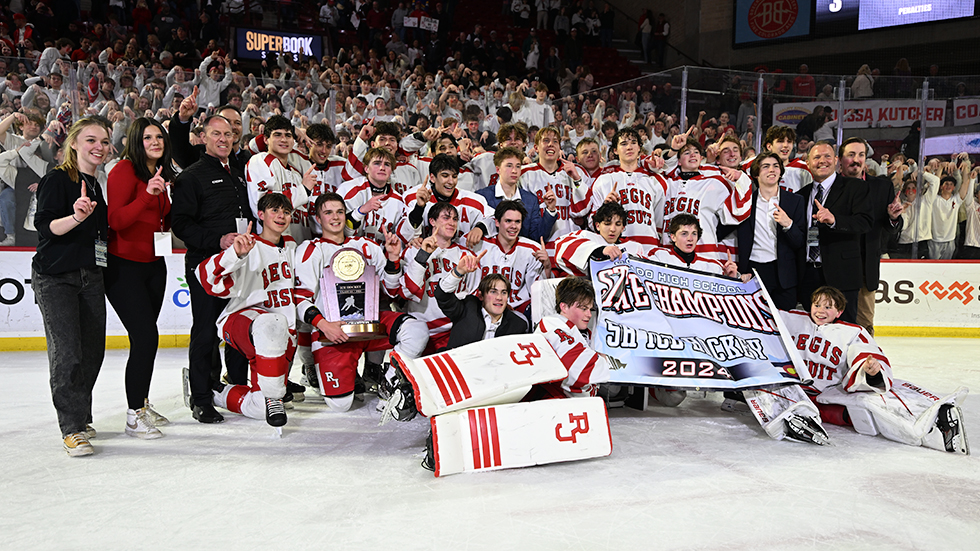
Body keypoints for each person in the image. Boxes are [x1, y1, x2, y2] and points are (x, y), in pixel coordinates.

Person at [782, 286, 969, 455]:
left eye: (828, 307)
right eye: (817, 305)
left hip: (833, 390)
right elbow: (760, 315)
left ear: (839, 312)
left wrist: (870, 369)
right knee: (864, 417)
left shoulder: (851, 331)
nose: (821, 311)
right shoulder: (793, 320)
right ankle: (930, 434)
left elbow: (865, 351)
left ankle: (936, 415)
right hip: (801, 393)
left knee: (885, 395)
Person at [294, 192, 426, 411]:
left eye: (339, 212)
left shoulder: (366, 245)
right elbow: (300, 300)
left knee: (417, 330)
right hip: (334, 334)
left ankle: (389, 381)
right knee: (341, 405)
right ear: (318, 219)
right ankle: (326, 371)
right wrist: (325, 326)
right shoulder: (310, 250)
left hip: (369, 325)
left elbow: (391, 291)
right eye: (328, 213)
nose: (335, 217)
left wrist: (393, 261)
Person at [32, 117, 112, 457]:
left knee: (92, 351)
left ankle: (81, 414)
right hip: (56, 277)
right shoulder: (57, 179)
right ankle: (71, 427)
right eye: (91, 139)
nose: (99, 147)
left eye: (105, 142)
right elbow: (46, 227)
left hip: (91, 276)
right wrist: (77, 217)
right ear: (74, 143)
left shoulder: (97, 184)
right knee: (67, 354)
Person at [171, 115, 255, 424]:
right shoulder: (191, 176)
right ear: (203, 137)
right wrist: (217, 240)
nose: (223, 138)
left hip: (239, 264)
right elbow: (179, 223)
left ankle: (236, 386)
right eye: (216, 133)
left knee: (236, 325)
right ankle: (201, 398)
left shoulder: (238, 173)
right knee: (205, 331)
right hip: (206, 264)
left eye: (229, 133)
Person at [197, 193, 298, 427]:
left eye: (285, 211)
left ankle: (216, 392)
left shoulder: (292, 247)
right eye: (274, 211)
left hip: (282, 332)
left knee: (258, 406)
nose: (281, 216)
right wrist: (236, 254)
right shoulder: (248, 244)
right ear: (260, 215)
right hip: (242, 321)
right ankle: (274, 397)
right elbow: (206, 277)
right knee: (271, 323)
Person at [105, 117, 177, 438]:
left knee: (144, 340)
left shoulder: (160, 173)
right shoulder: (122, 171)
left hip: (154, 265)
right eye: (148, 137)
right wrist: (148, 194)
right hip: (124, 268)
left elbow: (164, 220)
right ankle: (134, 416)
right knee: (147, 338)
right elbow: (117, 220)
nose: (155, 142)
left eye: (159, 137)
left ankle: (142, 403)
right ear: (136, 141)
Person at [796, 141, 872, 324]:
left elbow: (865, 222)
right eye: (816, 157)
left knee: (844, 330)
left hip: (842, 274)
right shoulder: (801, 195)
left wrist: (835, 220)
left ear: (837, 161)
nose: (822, 161)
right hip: (807, 275)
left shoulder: (855, 187)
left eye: (827, 156)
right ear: (808, 163)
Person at [837, 138, 903, 334]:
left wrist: (893, 218)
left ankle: (865, 362)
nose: (856, 159)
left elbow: (892, 228)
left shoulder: (882, 188)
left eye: (861, 155)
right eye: (851, 155)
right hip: (835, 268)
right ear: (840, 159)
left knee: (865, 326)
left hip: (866, 267)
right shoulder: (830, 186)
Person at [729, 152, 806, 311]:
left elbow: (800, 242)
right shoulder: (745, 203)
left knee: (785, 325)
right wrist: (742, 270)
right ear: (756, 174)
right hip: (753, 273)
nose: (772, 170)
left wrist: (788, 224)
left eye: (776, 166)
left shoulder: (795, 200)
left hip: (785, 276)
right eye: (766, 166)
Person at [588, 127, 666, 255]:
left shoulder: (655, 181)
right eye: (623, 144)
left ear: (640, 148)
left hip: (650, 249)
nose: (629, 147)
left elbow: (659, 221)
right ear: (615, 151)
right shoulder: (604, 180)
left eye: (633, 143)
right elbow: (592, 223)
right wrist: (604, 207)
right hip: (616, 251)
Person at [531, 277, 610, 400]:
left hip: (570, 405)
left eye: (590, 309)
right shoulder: (551, 325)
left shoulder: (580, 332)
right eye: (583, 308)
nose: (589, 314)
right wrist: (607, 361)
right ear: (564, 307)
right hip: (550, 402)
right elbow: (578, 370)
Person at [435, 254, 529, 350]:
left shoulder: (517, 325)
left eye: (503, 292)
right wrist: (458, 272)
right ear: (481, 296)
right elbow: (442, 295)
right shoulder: (467, 308)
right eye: (493, 292)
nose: (499, 297)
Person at [475, 200, 547, 314]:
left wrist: (547, 267)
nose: (513, 226)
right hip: (482, 306)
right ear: (497, 222)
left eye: (517, 222)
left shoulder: (532, 249)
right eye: (508, 221)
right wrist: (478, 227)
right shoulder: (480, 244)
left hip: (516, 309)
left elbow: (539, 290)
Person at [476, 146, 556, 242]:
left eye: (518, 166)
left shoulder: (531, 200)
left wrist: (550, 210)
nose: (514, 170)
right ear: (498, 170)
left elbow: (537, 237)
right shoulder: (482, 197)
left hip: (521, 254)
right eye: (509, 166)